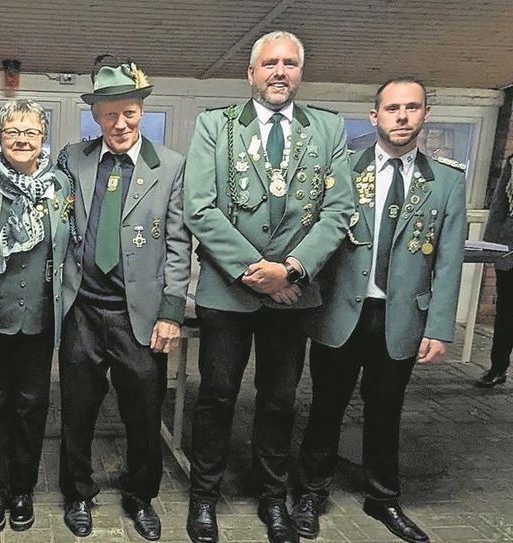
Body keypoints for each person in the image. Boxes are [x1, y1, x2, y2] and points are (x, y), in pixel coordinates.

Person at [183, 31, 353, 543]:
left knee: (279, 400)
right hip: (228, 291)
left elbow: (338, 210)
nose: (280, 72)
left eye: (291, 63)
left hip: (294, 293)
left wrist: (293, 269)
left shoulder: (326, 128)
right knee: (216, 396)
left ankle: (272, 498)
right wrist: (260, 273)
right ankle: (204, 498)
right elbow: (200, 206)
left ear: (301, 72)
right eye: (270, 63)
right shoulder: (216, 126)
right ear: (251, 73)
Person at [293, 77, 466, 543]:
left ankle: (384, 498)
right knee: (325, 408)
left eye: (412, 108)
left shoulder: (447, 180)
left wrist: (441, 326)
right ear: (375, 116)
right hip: (341, 312)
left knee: (386, 410)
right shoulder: (344, 170)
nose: (402, 117)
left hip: (402, 316)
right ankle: (310, 493)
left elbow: (449, 260)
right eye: (393, 108)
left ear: (425, 114)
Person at [55, 58, 191, 541]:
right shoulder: (73, 158)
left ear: (141, 111)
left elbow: (179, 244)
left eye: (129, 112)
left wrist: (172, 312)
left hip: (141, 317)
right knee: (77, 413)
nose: (120, 123)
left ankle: (139, 496)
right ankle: (77, 493)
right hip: (82, 312)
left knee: (143, 415)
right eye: (110, 114)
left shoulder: (170, 166)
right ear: (96, 115)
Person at [0, 99, 70, 534]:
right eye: (12, 132)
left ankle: (22, 488)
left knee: (30, 406)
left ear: (43, 138)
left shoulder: (62, 186)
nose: (21, 140)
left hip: (40, 317)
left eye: (30, 132)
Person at [477, 153, 513, 388]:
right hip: (509, 249)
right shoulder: (512, 162)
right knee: (506, 313)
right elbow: (499, 203)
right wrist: (490, 246)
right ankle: (498, 367)